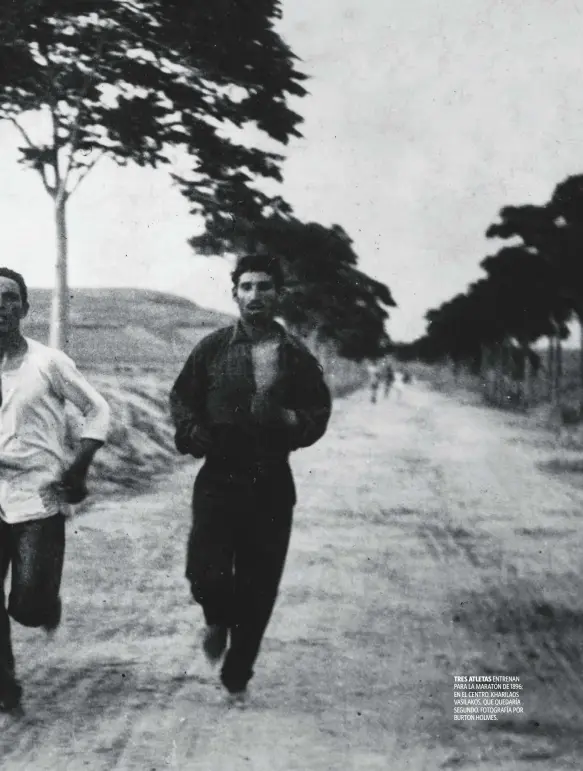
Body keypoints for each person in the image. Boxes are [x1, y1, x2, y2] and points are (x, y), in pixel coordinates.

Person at [170, 254, 331, 702]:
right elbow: (183, 397)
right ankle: (217, 618)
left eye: (264, 287)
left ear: (279, 295)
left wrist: (287, 417)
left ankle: (238, 672)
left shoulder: (297, 356)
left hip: (271, 480)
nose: (255, 295)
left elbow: (319, 413)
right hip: (219, 475)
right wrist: (191, 431)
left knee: (260, 583)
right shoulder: (213, 347)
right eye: (247, 287)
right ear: (235, 293)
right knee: (204, 571)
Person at [0, 268, 110, 713]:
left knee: (26, 606)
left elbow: (98, 410)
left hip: (38, 493)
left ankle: (43, 605)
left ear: (24, 309)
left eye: (9, 298)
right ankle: (5, 687)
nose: (0, 307)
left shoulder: (48, 363)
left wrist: (80, 467)